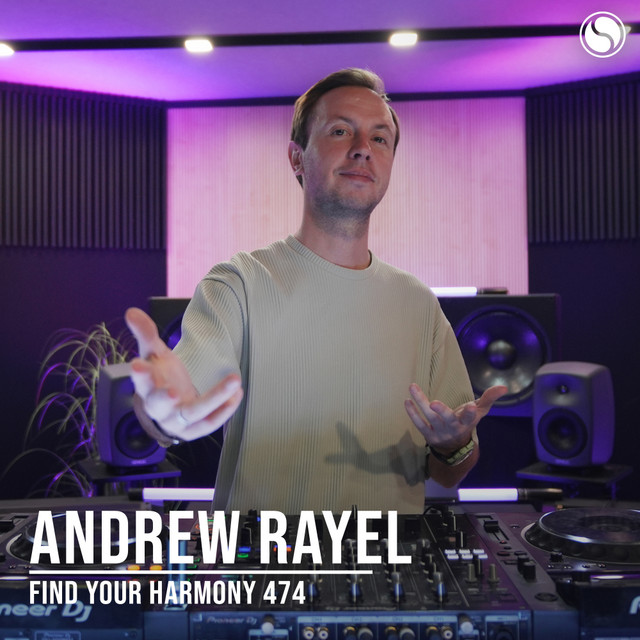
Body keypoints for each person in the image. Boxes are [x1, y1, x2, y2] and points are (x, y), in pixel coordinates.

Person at [125, 68, 506, 513]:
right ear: (297, 158)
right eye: (340, 131)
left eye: (380, 138)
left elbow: (449, 471)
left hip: (389, 556)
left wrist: (453, 446)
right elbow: (179, 398)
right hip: (265, 556)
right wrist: (161, 413)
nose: (363, 148)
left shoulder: (419, 305)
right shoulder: (238, 285)